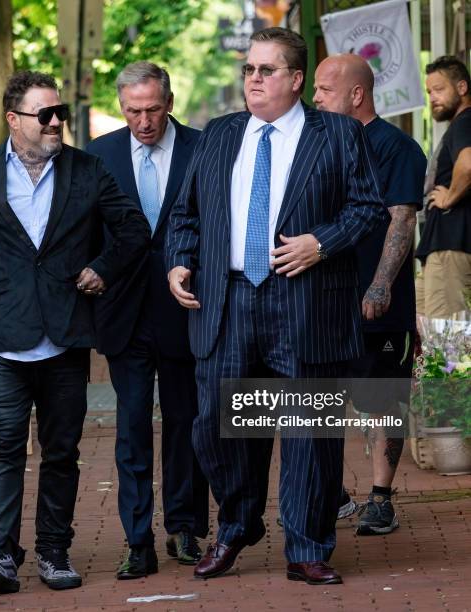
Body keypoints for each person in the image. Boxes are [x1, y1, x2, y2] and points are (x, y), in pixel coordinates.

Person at [166, 27, 385, 586]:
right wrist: (179, 261)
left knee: (308, 429)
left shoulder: (335, 134)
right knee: (217, 426)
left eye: (266, 70)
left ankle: (308, 545)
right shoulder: (218, 135)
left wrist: (321, 242)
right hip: (228, 298)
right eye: (248, 70)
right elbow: (186, 215)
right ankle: (238, 524)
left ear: (296, 79)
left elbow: (369, 210)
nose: (254, 79)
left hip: (306, 300)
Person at [0, 71, 150, 594]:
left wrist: (103, 267)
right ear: (14, 119)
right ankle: (0, 556)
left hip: (66, 336)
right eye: (44, 114)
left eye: (60, 113)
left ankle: (54, 553)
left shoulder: (87, 170)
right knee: (5, 448)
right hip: (4, 337)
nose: (56, 122)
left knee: (61, 452)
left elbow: (134, 230)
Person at [86, 62, 209, 579]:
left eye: (153, 109)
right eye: (134, 111)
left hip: (187, 309)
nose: (144, 121)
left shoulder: (204, 148)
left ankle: (184, 528)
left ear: (171, 102)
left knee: (186, 423)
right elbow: (89, 233)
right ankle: (138, 541)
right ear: (122, 108)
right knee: (132, 427)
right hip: (125, 313)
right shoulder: (100, 155)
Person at [313, 54, 426, 535]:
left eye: (323, 89)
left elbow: (402, 218)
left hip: (377, 304)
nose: (313, 98)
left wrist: (379, 285)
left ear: (355, 94)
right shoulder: (316, 145)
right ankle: (331, 493)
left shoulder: (395, 147)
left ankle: (381, 499)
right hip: (322, 299)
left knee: (382, 399)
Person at [415, 56, 471, 317]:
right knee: (426, 332)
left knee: (447, 340)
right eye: (429, 92)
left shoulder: (465, 121)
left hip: (452, 243)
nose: (433, 97)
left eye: (439, 89)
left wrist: (450, 197)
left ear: (462, 88)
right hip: (441, 244)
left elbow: (469, 163)